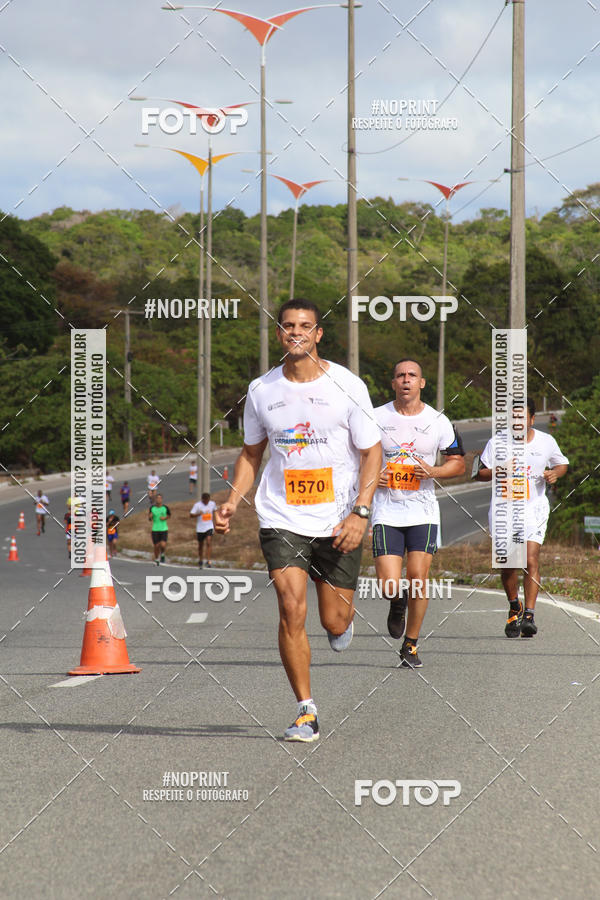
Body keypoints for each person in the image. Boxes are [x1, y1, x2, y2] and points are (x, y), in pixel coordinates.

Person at [214, 299, 381, 742]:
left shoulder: (347, 385)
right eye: (288, 326)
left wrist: (360, 512)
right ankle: (305, 710)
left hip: (339, 517)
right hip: (281, 514)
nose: (296, 333)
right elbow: (252, 453)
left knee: (334, 622)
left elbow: (371, 453)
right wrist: (232, 501)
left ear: (318, 334)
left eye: (305, 326)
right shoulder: (262, 390)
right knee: (290, 607)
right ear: (279, 333)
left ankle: (342, 621)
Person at [371, 359, 465, 668]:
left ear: (422, 383)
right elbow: (355, 459)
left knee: (418, 578)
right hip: (386, 509)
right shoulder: (375, 417)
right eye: (400, 375)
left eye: (412, 375)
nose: (406, 380)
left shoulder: (437, 420)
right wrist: (374, 477)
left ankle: (410, 645)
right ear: (393, 382)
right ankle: (397, 602)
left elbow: (458, 463)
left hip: (423, 510)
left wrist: (434, 470)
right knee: (388, 583)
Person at [477, 397, 568, 638]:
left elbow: (562, 464)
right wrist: (498, 470)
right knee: (508, 564)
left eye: (522, 417)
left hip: (533, 508)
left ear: (531, 419)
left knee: (530, 558)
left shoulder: (546, 441)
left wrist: (554, 474)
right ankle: (514, 605)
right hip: (504, 510)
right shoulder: (497, 442)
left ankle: (529, 614)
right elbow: (479, 473)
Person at [190, 492, 217, 568]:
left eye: (208, 500)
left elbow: (215, 511)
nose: (206, 502)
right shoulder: (197, 505)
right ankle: (200, 559)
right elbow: (191, 515)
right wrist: (198, 514)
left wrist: (217, 521)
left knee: (208, 542)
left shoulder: (212, 504)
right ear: (202, 499)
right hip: (200, 528)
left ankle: (208, 560)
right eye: (205, 501)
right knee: (200, 545)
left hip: (209, 526)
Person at [148, 493, 170, 565]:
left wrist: (165, 518)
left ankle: (162, 554)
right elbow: (149, 518)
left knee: (163, 545)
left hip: (164, 528)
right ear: (155, 499)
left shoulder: (165, 508)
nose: (158, 500)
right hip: (155, 529)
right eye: (157, 498)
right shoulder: (152, 508)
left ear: (162, 499)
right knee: (156, 545)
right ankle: (157, 558)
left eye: (160, 498)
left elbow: (169, 515)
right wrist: (150, 517)